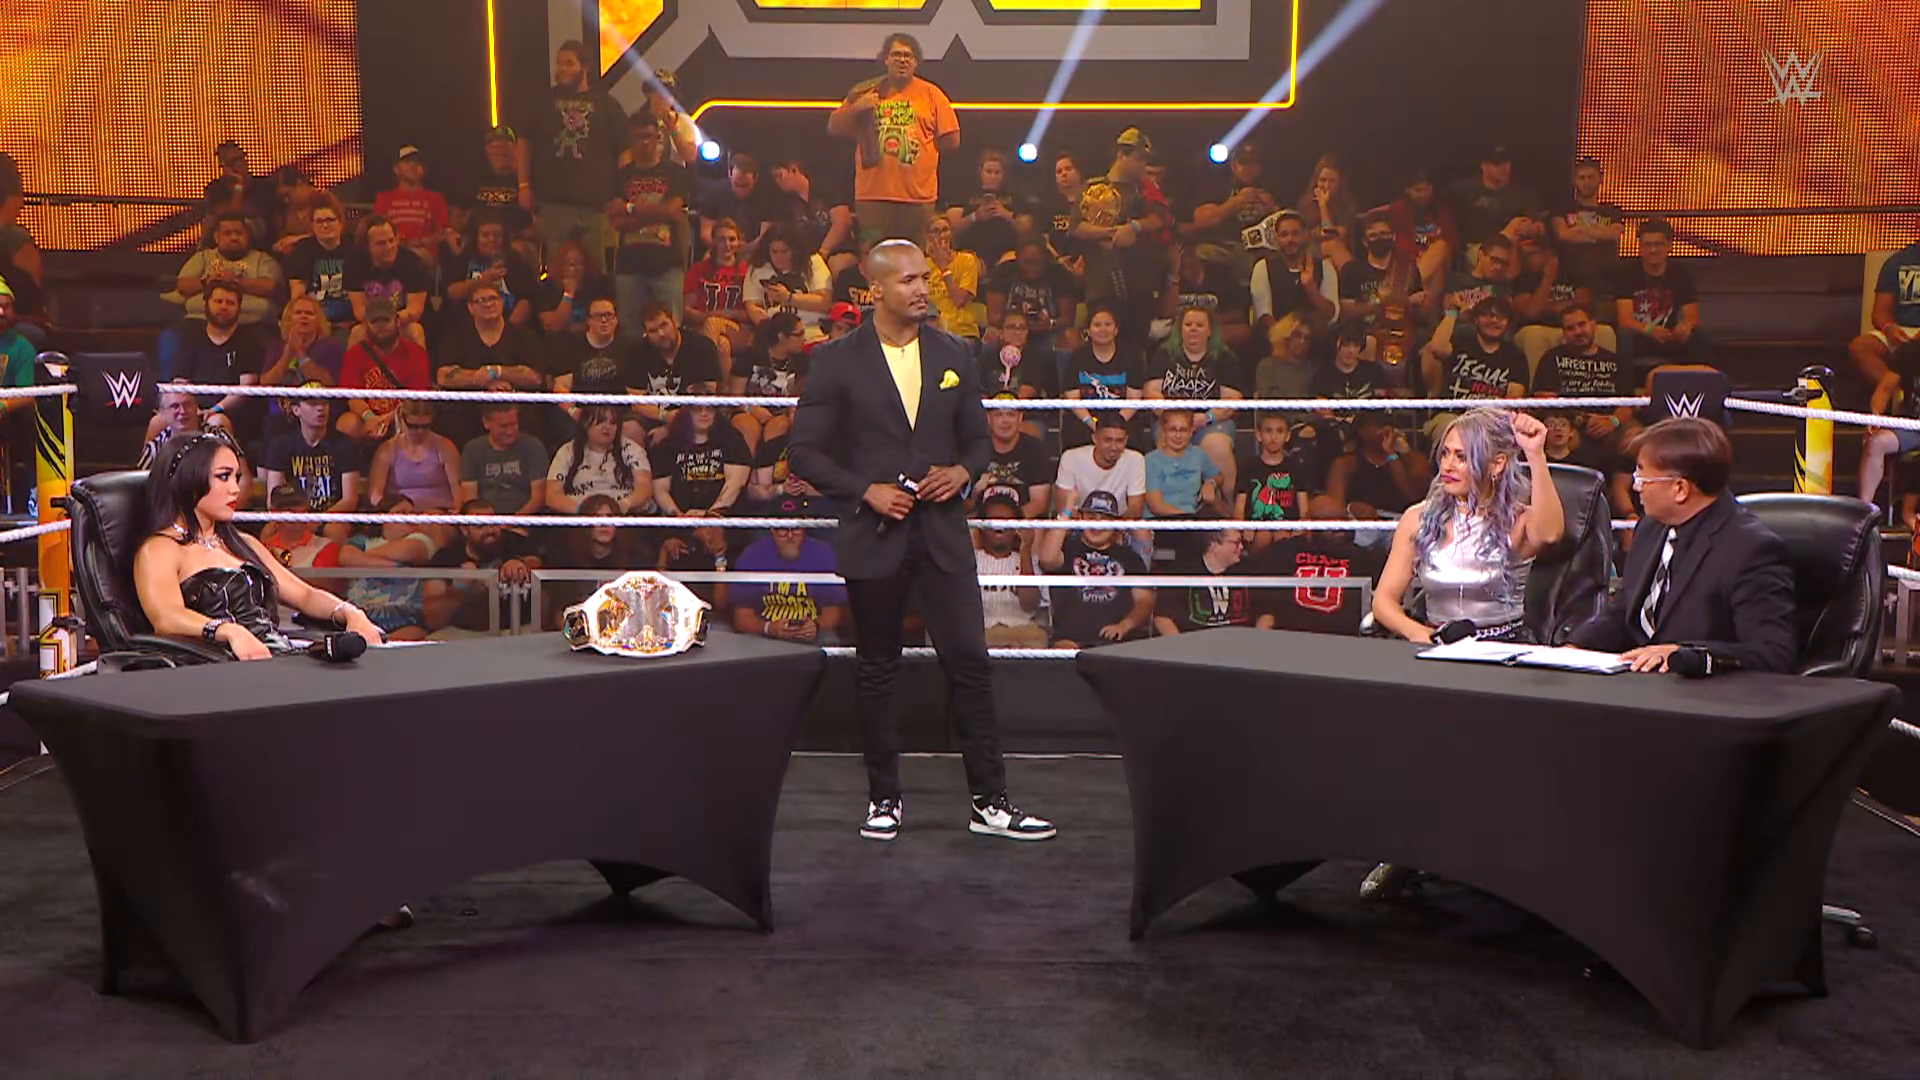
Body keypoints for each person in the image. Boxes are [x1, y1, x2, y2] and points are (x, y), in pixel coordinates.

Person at [788, 238, 1054, 842]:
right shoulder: (836, 360)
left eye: (924, 278)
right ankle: (884, 799)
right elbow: (803, 452)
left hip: (940, 535)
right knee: (877, 669)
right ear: (875, 290)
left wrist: (962, 473)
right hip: (875, 533)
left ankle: (991, 802)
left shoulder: (954, 351)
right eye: (908, 280)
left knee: (970, 663)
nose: (921, 288)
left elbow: (978, 441)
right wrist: (867, 491)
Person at [1570, 418, 1798, 674]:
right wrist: (1572, 649)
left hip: (1702, 692)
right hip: (1638, 684)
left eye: (1643, 476)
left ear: (1680, 489)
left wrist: (1685, 654)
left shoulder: (1751, 549)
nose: (1635, 486)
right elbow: (1624, 614)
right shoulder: (1650, 528)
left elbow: (1772, 654)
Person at [134, 434, 382, 661]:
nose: (235, 489)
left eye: (237, 477)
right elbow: (167, 617)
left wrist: (351, 613)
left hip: (274, 654)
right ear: (189, 480)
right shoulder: (160, 549)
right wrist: (228, 631)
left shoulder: (244, 544)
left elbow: (305, 595)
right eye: (223, 477)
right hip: (218, 666)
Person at [1372, 409, 1563, 645]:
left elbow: (1551, 534)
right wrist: (1419, 633)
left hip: (1504, 649)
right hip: (1436, 645)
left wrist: (1535, 454)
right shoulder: (1417, 519)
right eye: (1445, 454)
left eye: (1461, 457)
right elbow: (1383, 601)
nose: (1447, 466)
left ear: (1497, 464)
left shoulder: (1519, 520)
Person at [829, 32, 961, 247]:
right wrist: (857, 107)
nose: (902, 60)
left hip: (918, 199)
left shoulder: (932, 94)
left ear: (916, 62)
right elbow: (834, 127)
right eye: (897, 54)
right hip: (872, 198)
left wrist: (922, 152)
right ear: (886, 59)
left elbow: (952, 139)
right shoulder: (865, 91)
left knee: (915, 257)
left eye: (908, 56)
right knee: (873, 255)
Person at [519, 40, 626, 271]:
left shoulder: (606, 104)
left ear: (584, 67)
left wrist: (621, 194)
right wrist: (523, 184)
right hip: (553, 203)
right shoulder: (544, 101)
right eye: (559, 63)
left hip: (596, 206)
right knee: (556, 268)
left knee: (595, 270)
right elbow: (525, 141)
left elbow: (624, 151)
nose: (562, 69)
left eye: (569, 63)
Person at [1072, 128, 1169, 348]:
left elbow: (1162, 218)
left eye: (1145, 160)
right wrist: (1111, 232)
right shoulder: (1093, 188)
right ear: (1121, 155)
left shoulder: (1146, 189)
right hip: (1102, 286)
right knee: (1102, 349)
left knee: (1136, 350)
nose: (1143, 165)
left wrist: (1135, 227)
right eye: (1138, 159)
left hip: (1138, 287)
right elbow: (1076, 227)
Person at [1036, 490, 1153, 649]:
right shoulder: (1067, 548)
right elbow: (1047, 558)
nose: (1097, 524)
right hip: (1070, 641)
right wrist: (1067, 510)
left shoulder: (1130, 557)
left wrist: (1124, 626)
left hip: (1120, 643)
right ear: (1081, 518)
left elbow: (1144, 602)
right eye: (1091, 517)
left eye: (1104, 519)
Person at [1145, 306, 1243, 495]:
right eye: (1188, 324)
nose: (1193, 329)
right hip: (1171, 419)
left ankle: (1228, 505)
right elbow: (1151, 391)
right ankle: (1172, 504)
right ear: (1180, 329)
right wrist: (1174, 417)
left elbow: (1233, 399)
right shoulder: (1164, 354)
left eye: (1199, 325)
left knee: (1217, 445)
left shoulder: (1225, 358)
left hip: (1213, 421)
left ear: (1209, 331)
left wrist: (1206, 418)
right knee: (1169, 442)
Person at [609, 114, 692, 325]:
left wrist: (630, 208)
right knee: (630, 331)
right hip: (629, 266)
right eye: (638, 137)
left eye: (648, 136)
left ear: (658, 137)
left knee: (671, 327)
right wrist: (659, 213)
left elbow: (673, 210)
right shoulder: (620, 176)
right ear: (630, 139)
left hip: (667, 265)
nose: (644, 142)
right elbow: (616, 221)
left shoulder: (676, 173)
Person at [152, 282, 262, 434]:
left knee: (216, 422)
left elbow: (246, 387)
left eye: (230, 303)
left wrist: (215, 409)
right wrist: (192, 409)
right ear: (206, 304)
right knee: (157, 422)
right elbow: (180, 381)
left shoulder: (249, 341)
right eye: (218, 301)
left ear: (239, 307)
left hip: (229, 411)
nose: (223, 307)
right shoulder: (190, 337)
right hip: (191, 408)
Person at [424, 498, 544, 635]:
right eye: (480, 526)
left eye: (493, 523)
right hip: (463, 631)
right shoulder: (446, 557)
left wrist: (520, 563)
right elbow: (432, 619)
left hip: (518, 628)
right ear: (464, 530)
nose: (490, 530)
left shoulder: (514, 541)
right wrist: (459, 588)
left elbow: (539, 565)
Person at [731, 510, 847, 645]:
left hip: (812, 632)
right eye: (783, 529)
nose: (790, 536)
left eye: (796, 528)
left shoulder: (823, 554)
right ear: (773, 530)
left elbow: (833, 610)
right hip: (765, 632)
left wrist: (816, 626)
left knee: (830, 641)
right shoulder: (752, 555)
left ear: (804, 528)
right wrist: (769, 628)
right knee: (746, 643)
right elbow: (741, 617)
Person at [543, 494, 653, 629]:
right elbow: (559, 613)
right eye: (596, 517)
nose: (603, 523)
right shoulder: (568, 560)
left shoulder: (634, 557)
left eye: (609, 517)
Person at [1614, 217, 1710, 368]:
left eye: (1658, 244)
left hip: (1669, 335)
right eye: (1648, 245)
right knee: (1624, 336)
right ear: (1640, 247)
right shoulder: (1627, 273)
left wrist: (1684, 326)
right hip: (1642, 336)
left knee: (1699, 337)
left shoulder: (1680, 273)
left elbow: (1692, 317)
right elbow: (1625, 320)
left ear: (1669, 246)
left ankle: (1699, 380)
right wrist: (1650, 330)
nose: (1653, 250)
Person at [134, 383, 252, 503]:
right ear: (162, 413)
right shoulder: (153, 449)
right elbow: (142, 491)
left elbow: (244, 483)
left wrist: (220, 509)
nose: (182, 411)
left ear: (197, 407)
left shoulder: (220, 437)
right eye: (175, 406)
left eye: (187, 404)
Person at [337, 297, 433, 443]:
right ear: (366, 325)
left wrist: (387, 419)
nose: (380, 326)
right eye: (374, 322)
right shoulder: (355, 353)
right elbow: (352, 396)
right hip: (368, 417)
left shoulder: (416, 353)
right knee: (347, 424)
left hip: (404, 415)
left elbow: (417, 398)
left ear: (397, 322)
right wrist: (370, 417)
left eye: (386, 320)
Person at [633, 303, 727, 443]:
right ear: (645, 333)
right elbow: (636, 402)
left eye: (664, 325)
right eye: (653, 331)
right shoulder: (638, 352)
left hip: (695, 416)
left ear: (675, 322)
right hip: (653, 416)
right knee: (630, 428)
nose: (661, 334)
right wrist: (664, 416)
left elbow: (706, 398)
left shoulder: (702, 347)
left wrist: (671, 427)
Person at [260, 387, 362, 516]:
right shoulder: (280, 445)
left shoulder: (345, 444)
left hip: (332, 518)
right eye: (313, 403)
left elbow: (349, 500)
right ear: (296, 410)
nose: (320, 408)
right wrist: (298, 521)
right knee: (271, 528)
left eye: (324, 402)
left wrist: (320, 519)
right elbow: (273, 501)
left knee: (337, 527)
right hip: (293, 518)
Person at [169, 210, 282, 325]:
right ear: (216, 237)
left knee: (264, 307)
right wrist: (209, 281)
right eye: (227, 233)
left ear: (248, 236)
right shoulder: (204, 256)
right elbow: (182, 285)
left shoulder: (262, 259)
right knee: (192, 305)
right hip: (204, 315)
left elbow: (270, 286)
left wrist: (236, 282)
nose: (234, 238)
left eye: (239, 233)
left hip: (248, 314)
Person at [1152, 522, 1258, 635]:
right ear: (1214, 546)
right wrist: (1182, 645)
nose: (1241, 547)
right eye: (1236, 542)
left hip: (1241, 642)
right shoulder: (1182, 572)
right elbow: (1162, 618)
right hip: (1194, 643)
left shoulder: (1248, 571)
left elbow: (1265, 614)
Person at [1062, 305, 1145, 449]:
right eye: (1097, 325)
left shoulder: (1132, 357)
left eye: (1108, 324)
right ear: (1088, 331)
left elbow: (1134, 399)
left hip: (1122, 419)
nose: (1103, 329)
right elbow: (1073, 399)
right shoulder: (1077, 358)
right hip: (1087, 421)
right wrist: (1092, 424)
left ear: (1116, 330)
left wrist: (1114, 426)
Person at [729, 311, 810, 458]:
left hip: (782, 414)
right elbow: (735, 396)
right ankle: (747, 468)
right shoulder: (750, 356)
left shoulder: (802, 361)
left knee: (779, 426)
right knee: (747, 426)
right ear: (781, 336)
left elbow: (799, 396)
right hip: (747, 410)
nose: (804, 339)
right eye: (799, 334)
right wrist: (752, 409)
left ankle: (764, 469)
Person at [547, 404, 653, 515]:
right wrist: (584, 511)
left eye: (612, 423)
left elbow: (644, 487)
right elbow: (552, 495)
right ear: (585, 423)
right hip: (581, 514)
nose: (607, 427)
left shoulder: (632, 449)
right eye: (601, 421)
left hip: (623, 513)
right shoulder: (567, 451)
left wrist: (625, 504)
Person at [649, 403, 750, 518]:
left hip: (720, 519)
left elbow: (735, 484)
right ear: (687, 412)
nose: (704, 413)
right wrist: (678, 514)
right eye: (697, 409)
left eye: (709, 408)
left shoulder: (732, 440)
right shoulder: (668, 444)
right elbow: (661, 489)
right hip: (680, 518)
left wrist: (711, 515)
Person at [1249, 209, 1339, 336]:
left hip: (1315, 338)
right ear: (1277, 238)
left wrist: (1311, 290)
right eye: (1284, 234)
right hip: (1278, 338)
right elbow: (1264, 316)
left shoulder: (1325, 268)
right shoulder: (1263, 267)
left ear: (1305, 236)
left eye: (1295, 234)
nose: (1290, 239)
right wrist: (1288, 337)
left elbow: (1331, 315)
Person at [1848, 234, 1920, 392]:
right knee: (1860, 347)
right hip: (1904, 332)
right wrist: (1889, 329)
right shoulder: (1897, 263)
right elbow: (1880, 313)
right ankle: (1900, 393)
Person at [346, 216, 432, 348]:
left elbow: (415, 310)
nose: (389, 247)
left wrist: (390, 320)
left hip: (404, 322)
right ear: (367, 247)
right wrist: (379, 322)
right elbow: (359, 310)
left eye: (391, 240)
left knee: (415, 331)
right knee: (357, 333)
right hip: (372, 322)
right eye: (381, 243)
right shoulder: (354, 265)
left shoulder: (413, 263)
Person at [973, 496, 1047, 648]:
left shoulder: (1027, 561)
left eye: (1005, 521)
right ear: (982, 527)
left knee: (1038, 638)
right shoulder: (971, 560)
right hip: (983, 631)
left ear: (1015, 530)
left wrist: (1025, 550)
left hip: (1022, 631)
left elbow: (1030, 605)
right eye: (993, 520)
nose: (999, 525)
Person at [447, 212, 539, 330]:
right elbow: (452, 293)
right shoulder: (464, 259)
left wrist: (507, 331)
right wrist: (481, 280)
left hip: (507, 327)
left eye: (496, 235)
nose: (491, 239)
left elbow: (527, 300)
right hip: (466, 327)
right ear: (476, 238)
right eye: (485, 235)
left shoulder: (515, 261)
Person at [767, 157, 858, 277]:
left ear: (794, 170)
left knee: (837, 266)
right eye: (775, 179)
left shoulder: (826, 189)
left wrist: (823, 252)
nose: (778, 182)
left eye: (780, 175)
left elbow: (842, 222)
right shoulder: (787, 203)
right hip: (806, 254)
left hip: (837, 250)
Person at [1449, 145, 1543, 259]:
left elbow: (1540, 226)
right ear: (1484, 166)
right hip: (1475, 248)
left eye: (1506, 163)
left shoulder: (1523, 191)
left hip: (1512, 248)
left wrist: (1532, 229)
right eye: (1497, 164)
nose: (1503, 168)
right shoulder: (1463, 191)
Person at [1552, 157, 1624, 304]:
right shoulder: (1562, 208)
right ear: (1575, 181)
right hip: (1570, 281)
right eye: (1582, 178)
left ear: (1600, 179)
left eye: (1591, 177)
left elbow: (1614, 234)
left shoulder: (1612, 211)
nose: (1586, 182)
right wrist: (1599, 233)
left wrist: (1579, 229)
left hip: (1606, 281)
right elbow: (1563, 234)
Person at [1324, 412, 1427, 516]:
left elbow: (1413, 500)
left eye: (1387, 424)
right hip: (1361, 521)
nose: (1384, 429)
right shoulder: (1346, 464)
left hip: (1398, 520)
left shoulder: (1408, 460)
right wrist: (1351, 508)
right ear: (1362, 431)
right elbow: (1334, 509)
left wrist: (1391, 454)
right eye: (1377, 425)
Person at [985, 239, 1079, 351]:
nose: (1032, 267)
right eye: (1027, 262)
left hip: (1048, 333)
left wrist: (1050, 324)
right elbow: (993, 317)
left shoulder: (1060, 274)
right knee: (991, 335)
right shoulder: (1003, 273)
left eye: (1037, 262)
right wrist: (1016, 324)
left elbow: (1068, 319)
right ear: (1017, 257)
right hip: (1011, 331)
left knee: (1071, 337)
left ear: (1045, 259)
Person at [368, 400, 462, 511]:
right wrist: (393, 506)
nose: (420, 432)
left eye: (425, 426)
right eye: (413, 426)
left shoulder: (445, 447)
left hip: (439, 513)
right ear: (402, 420)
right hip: (401, 513)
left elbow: (458, 492)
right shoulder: (388, 449)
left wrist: (454, 512)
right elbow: (375, 495)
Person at [1237, 412, 1314, 546]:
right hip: (1255, 532)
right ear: (1259, 435)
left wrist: (1301, 527)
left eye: (1279, 431)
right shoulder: (1248, 467)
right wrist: (1243, 527)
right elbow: (1239, 509)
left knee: (1282, 536)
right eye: (1268, 431)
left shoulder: (1296, 467)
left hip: (1287, 531)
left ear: (1287, 436)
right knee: (1264, 536)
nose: (1274, 437)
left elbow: (1304, 510)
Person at [743, 223, 833, 337]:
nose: (779, 257)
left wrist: (788, 297)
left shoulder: (813, 262)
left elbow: (824, 303)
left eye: (784, 252)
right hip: (776, 334)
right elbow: (752, 306)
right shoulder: (757, 268)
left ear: (794, 250)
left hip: (812, 329)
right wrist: (770, 329)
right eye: (774, 252)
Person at [1054, 413, 1147, 520]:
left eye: (1119, 441)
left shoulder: (1136, 459)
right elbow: (1063, 509)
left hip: (1118, 524)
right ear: (1095, 438)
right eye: (1107, 440)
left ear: (1126, 440)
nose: (1113, 447)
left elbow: (1135, 510)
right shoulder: (1071, 458)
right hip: (1080, 522)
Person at [460, 402, 547, 515]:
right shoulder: (472, 449)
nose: (510, 431)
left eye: (513, 424)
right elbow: (470, 498)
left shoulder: (533, 446)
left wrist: (514, 520)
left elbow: (538, 498)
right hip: (485, 518)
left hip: (525, 518)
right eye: (503, 426)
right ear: (486, 423)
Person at [683, 218, 753, 355]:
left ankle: (705, 367)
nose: (727, 244)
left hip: (738, 328)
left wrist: (726, 313)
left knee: (713, 324)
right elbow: (687, 310)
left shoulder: (748, 271)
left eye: (732, 239)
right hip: (702, 326)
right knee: (722, 344)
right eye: (721, 239)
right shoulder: (699, 269)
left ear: (739, 242)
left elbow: (751, 312)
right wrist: (708, 316)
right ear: (714, 241)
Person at [972, 399, 1051, 519]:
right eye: (998, 415)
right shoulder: (973, 449)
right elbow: (963, 506)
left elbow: (1039, 504)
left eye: (1011, 414)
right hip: (980, 524)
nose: (1005, 420)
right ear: (988, 418)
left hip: (1021, 523)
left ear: (1020, 418)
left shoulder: (1035, 450)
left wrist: (1009, 522)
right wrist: (975, 493)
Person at [284, 195, 353, 329]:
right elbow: (297, 294)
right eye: (319, 221)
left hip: (350, 320)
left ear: (341, 222)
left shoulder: (353, 246)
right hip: (315, 322)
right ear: (312, 226)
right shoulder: (302, 249)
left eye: (330, 220)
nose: (325, 225)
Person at [373, 145, 451, 262]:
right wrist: (402, 244)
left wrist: (421, 242)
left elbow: (442, 232)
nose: (413, 166)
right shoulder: (384, 198)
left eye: (417, 162)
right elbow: (377, 230)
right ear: (396, 168)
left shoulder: (436, 199)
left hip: (424, 259)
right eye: (407, 162)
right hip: (393, 256)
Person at [948, 149, 1023, 270]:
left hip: (1007, 253)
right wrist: (975, 216)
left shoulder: (1014, 196)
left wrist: (1007, 215)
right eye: (988, 172)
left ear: (1003, 174)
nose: (993, 176)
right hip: (973, 253)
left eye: (997, 172)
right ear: (980, 172)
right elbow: (953, 229)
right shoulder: (966, 195)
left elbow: (1027, 232)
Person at [535, 240, 615, 339]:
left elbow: (605, 321)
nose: (573, 269)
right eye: (569, 264)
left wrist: (580, 327)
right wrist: (569, 294)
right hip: (557, 342)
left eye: (579, 264)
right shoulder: (547, 287)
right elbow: (555, 326)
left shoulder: (599, 285)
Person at [921, 215, 982, 341]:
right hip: (931, 330)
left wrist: (944, 268)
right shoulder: (921, 264)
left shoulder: (967, 260)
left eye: (945, 230)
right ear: (928, 236)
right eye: (936, 231)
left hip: (962, 331)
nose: (942, 235)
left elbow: (959, 300)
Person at [698, 150, 772, 253]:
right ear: (730, 174)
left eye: (745, 185)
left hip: (755, 252)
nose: (740, 189)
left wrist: (746, 249)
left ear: (755, 178)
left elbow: (765, 236)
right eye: (736, 184)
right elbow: (706, 231)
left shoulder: (765, 197)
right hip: (720, 250)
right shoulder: (715, 193)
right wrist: (726, 247)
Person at [0, 279, 39, 416]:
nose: (1, 312)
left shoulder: (23, 348)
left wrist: (5, 406)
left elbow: (27, 395)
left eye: (6, 306)